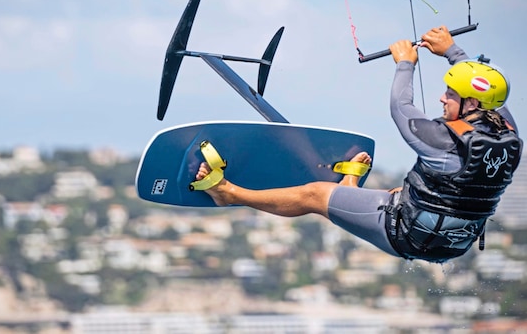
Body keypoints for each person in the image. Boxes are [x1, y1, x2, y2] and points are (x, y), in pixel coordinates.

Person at [193, 25, 523, 263]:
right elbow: (487, 89)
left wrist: (405, 63)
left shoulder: (441, 142)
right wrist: (453, 51)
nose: (442, 97)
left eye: (450, 94)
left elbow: (401, 110)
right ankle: (350, 188)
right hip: (454, 241)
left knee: (316, 194)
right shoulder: (510, 135)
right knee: (403, 193)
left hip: (409, 235)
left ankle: (228, 193)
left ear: (472, 105)